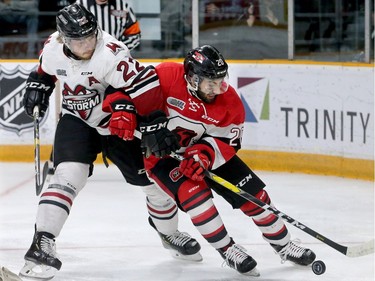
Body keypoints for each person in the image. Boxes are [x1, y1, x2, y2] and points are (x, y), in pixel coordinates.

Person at [19, 4, 201, 280]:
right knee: (67, 177)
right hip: (76, 120)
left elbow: (144, 86)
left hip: (116, 124)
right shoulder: (53, 48)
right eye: (78, 40)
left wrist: (153, 122)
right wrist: (38, 84)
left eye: (90, 36)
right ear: (63, 39)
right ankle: (42, 243)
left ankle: (169, 233)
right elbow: (44, 72)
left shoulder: (112, 52)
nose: (86, 44)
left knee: (152, 183)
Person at [130, 45, 317, 275]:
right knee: (197, 199)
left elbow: (229, 143)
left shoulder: (230, 102)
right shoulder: (166, 75)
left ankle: (285, 245)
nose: (217, 89)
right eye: (211, 83)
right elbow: (130, 92)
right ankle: (227, 250)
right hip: (164, 157)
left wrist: (204, 155)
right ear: (191, 77)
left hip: (207, 155)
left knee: (255, 195)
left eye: (220, 81)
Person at [76, 0, 141, 50]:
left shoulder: (122, 6)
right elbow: (69, 39)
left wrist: (118, 48)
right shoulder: (79, 6)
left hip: (115, 60)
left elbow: (135, 36)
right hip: (86, 60)